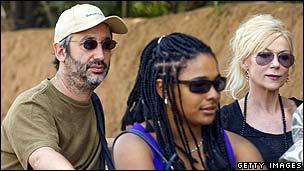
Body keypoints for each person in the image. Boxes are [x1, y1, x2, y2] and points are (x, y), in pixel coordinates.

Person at [1, 3, 127, 170]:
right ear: (60, 51)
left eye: (107, 45)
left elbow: (101, 147)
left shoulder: (92, 103)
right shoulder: (31, 106)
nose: (100, 54)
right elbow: (42, 158)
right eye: (89, 44)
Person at [112, 32, 264, 170]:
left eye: (217, 84)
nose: (213, 94)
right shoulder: (134, 147)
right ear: (163, 88)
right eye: (199, 85)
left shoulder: (238, 148)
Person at [220, 14, 303, 165]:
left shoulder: (301, 113)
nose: (276, 64)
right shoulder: (223, 120)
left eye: (284, 57)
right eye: (265, 56)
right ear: (245, 62)